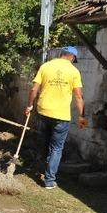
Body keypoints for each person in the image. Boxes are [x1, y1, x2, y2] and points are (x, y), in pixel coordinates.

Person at [25, 46, 87, 189]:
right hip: (61, 115)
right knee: (57, 148)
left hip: (43, 112)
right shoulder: (74, 71)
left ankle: (41, 169)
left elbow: (34, 89)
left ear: (61, 54)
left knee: (45, 142)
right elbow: (78, 96)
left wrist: (29, 105)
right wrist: (82, 116)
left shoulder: (46, 66)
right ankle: (49, 180)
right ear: (72, 57)